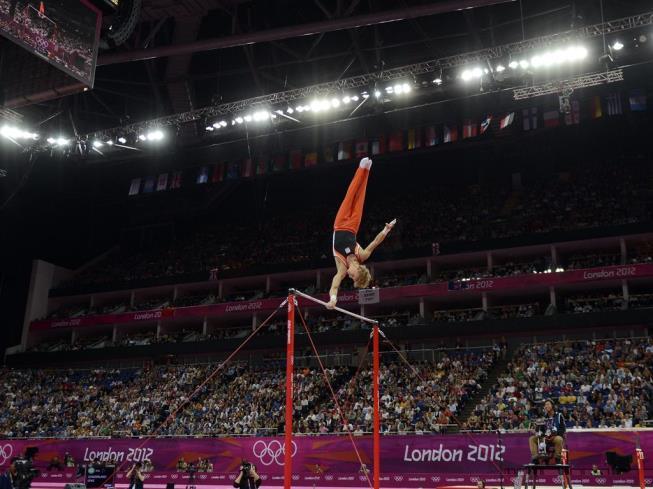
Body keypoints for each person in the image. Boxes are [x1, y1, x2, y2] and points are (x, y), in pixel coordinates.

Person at [326, 157, 396, 308]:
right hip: (353, 227)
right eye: (354, 277)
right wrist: (386, 229)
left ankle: (361, 169)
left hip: (339, 224)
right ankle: (366, 170)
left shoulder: (342, 268)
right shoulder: (362, 255)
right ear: (359, 268)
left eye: (352, 279)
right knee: (359, 198)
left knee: (349, 195)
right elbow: (375, 243)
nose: (350, 277)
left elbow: (335, 285)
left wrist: (333, 299)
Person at [529, 399, 566, 464]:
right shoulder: (543, 417)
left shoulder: (559, 415)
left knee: (559, 439)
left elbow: (563, 429)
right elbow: (540, 429)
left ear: (552, 406)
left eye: (548, 404)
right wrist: (536, 430)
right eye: (545, 405)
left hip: (554, 437)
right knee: (532, 439)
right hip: (544, 438)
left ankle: (557, 458)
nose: (546, 406)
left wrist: (554, 434)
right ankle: (535, 459)